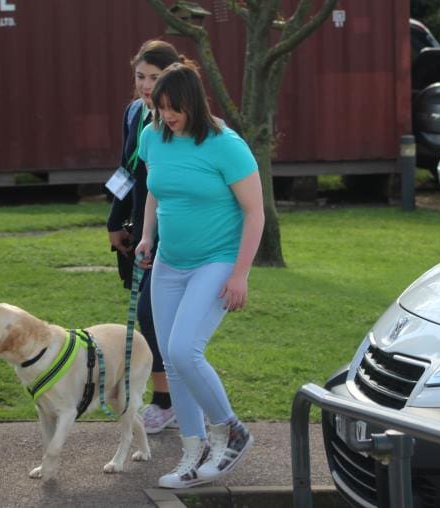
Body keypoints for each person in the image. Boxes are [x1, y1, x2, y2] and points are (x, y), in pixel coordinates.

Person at [135, 62, 265, 488]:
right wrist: (146, 236)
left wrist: (240, 273)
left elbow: (254, 212)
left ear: (194, 102)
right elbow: (156, 188)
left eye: (174, 108)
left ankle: (230, 430)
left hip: (217, 260)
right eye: (160, 107)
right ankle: (192, 452)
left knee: (184, 348)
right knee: (171, 360)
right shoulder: (153, 135)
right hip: (169, 262)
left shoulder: (227, 146)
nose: (167, 116)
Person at [106, 40, 185, 433]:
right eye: (140, 76)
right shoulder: (134, 112)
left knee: (151, 316)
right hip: (137, 229)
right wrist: (113, 221)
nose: (146, 86)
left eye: (155, 78)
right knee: (149, 314)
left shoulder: (180, 119)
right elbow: (125, 170)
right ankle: (171, 396)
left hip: (170, 232)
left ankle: (167, 401)